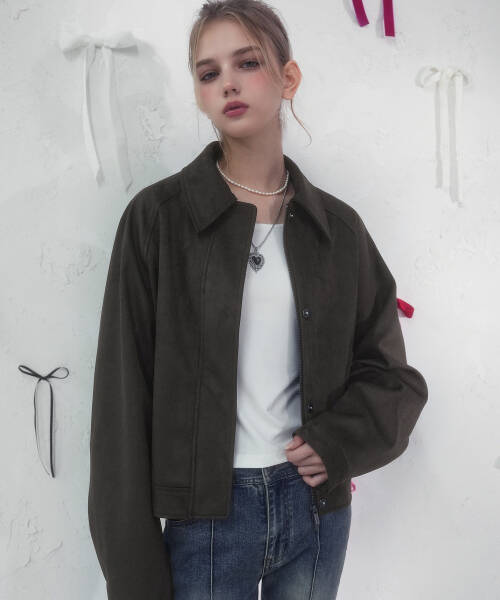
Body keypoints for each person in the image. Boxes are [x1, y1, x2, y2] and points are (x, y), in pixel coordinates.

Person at [88, 1, 428, 599]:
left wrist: (338, 442)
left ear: (287, 77)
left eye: (246, 62)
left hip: (315, 511)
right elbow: (121, 403)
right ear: (199, 93)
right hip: (208, 521)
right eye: (208, 72)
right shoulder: (158, 220)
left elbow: (392, 374)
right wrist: (134, 576)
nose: (228, 83)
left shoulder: (337, 230)